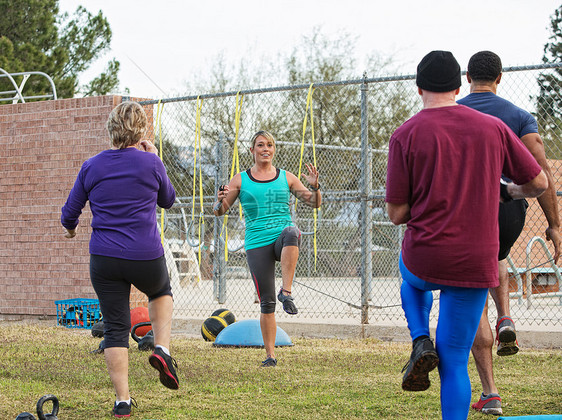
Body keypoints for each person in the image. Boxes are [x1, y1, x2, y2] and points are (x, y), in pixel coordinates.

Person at [385, 51, 548, 420]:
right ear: (458, 88)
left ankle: (418, 337)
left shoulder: (405, 134)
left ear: (419, 88)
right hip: (476, 261)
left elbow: (396, 214)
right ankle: (430, 349)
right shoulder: (492, 128)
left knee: (410, 279)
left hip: (425, 256)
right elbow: (538, 182)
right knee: (455, 360)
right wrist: (507, 191)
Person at [457, 50, 562, 415]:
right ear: (500, 78)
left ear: (468, 76)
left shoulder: (452, 114)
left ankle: (490, 392)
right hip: (510, 209)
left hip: (466, 212)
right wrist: (554, 224)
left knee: (471, 295)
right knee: (497, 256)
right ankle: (506, 314)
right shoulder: (519, 116)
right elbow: (541, 169)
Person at [61, 101, 179, 418]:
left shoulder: (92, 166)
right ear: (140, 131)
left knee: (115, 328)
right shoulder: (150, 163)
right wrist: (154, 158)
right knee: (160, 292)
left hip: (104, 257)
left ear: (110, 129)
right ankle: (162, 349)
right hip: (145, 255)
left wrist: (71, 231)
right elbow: (168, 200)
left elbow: (69, 213)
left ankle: (122, 402)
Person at [213, 130, 321, 367]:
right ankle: (270, 356)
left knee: (293, 232)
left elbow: (314, 203)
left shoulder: (287, 177)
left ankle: (287, 291)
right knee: (267, 303)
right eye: (260, 145)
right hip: (257, 243)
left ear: (274, 150)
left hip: (281, 237)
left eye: (269, 145)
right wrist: (219, 199)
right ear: (252, 151)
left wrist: (315, 187)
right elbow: (220, 211)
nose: (265, 149)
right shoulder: (240, 179)